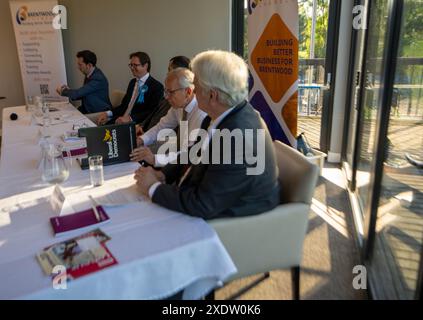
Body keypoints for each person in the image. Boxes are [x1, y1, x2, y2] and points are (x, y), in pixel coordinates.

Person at [134, 50, 280, 220]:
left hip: (231, 223)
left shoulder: (237, 137)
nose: (192, 92)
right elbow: (194, 153)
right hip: (205, 199)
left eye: (196, 86)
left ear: (212, 95)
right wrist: (163, 175)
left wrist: (153, 187)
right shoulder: (221, 114)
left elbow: (203, 204)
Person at [130, 67, 207, 167]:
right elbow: (161, 127)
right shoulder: (178, 106)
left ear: (188, 92)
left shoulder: (201, 114)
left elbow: (189, 154)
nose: (166, 97)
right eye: (165, 92)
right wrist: (141, 140)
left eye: (170, 92)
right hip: (178, 159)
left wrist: (154, 159)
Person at [96, 52, 163, 125]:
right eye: (131, 65)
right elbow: (124, 106)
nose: (132, 68)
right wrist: (107, 113)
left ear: (146, 66)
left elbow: (152, 112)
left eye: (135, 65)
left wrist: (130, 118)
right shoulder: (132, 82)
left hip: (137, 124)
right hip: (119, 120)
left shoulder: (157, 86)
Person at [138, 56, 192, 133]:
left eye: (170, 70)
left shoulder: (179, 102)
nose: (167, 74)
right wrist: (141, 126)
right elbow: (155, 114)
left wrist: (145, 136)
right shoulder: (171, 95)